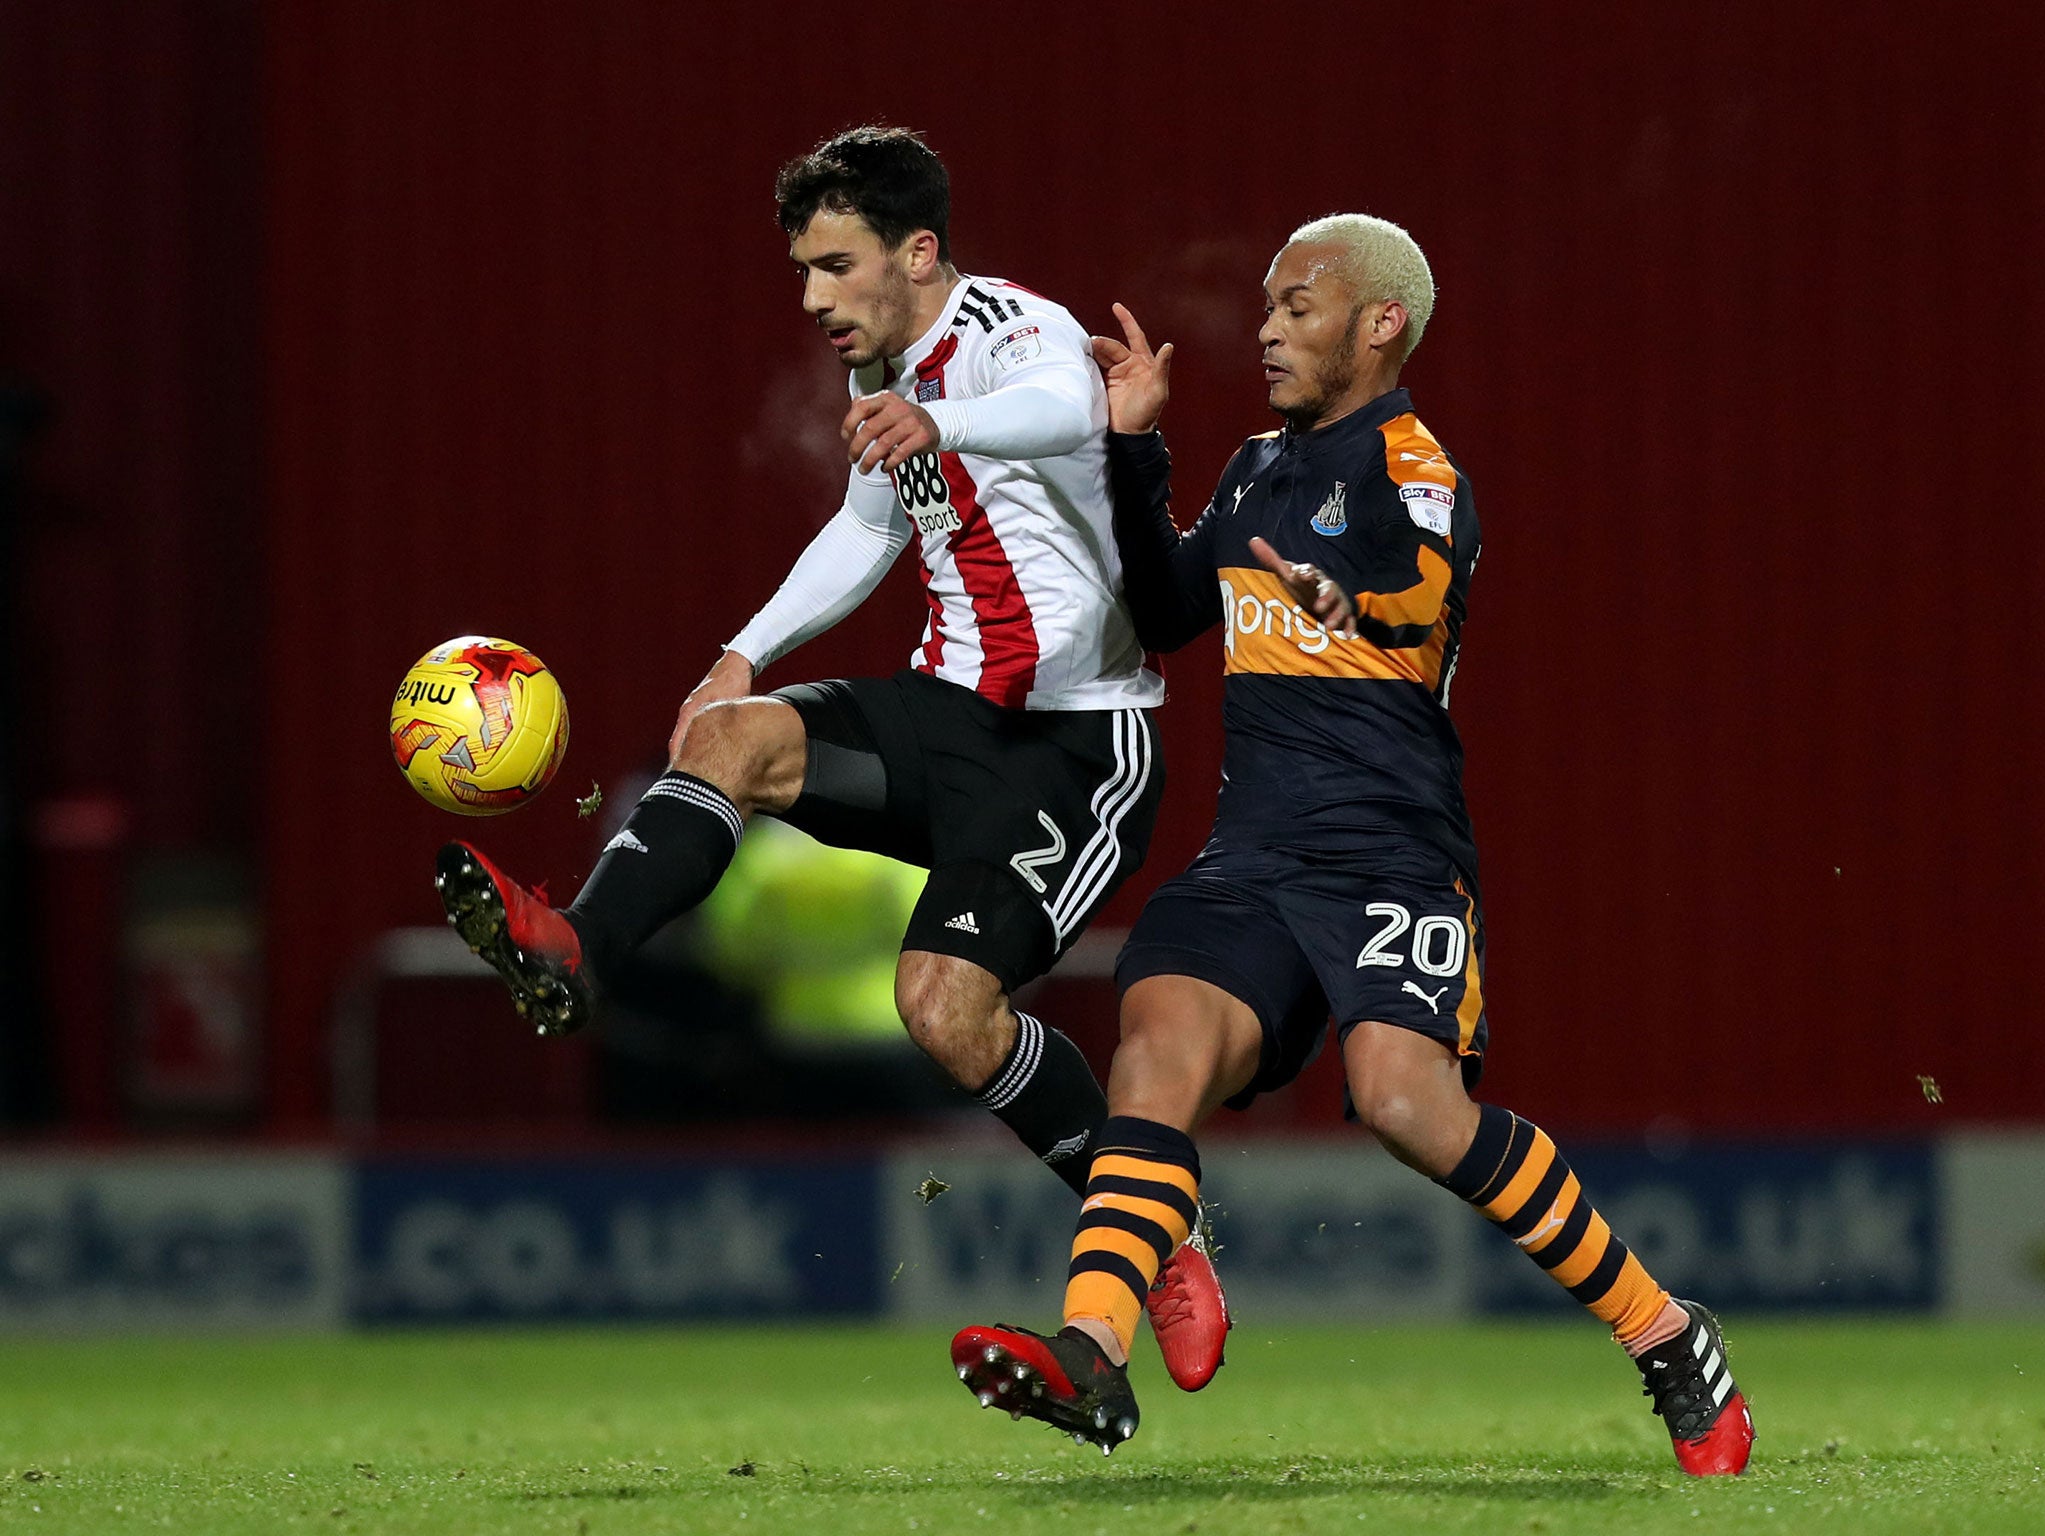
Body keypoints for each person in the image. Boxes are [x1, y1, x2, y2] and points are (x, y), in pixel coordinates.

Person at [950, 214, 1755, 1476]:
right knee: (1154, 1048)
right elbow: (1164, 609)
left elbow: (1422, 590)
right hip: (1252, 855)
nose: (1266, 328)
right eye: (1266, 306)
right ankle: (1092, 1351)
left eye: (1297, 306)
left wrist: (1348, 601)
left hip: (1385, 849)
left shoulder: (1411, 461)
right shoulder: (1255, 466)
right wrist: (1135, 444)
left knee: (1403, 1105)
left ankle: (1665, 1334)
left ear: (1379, 323)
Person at [432, 126, 1228, 1389]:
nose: (811, 298)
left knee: (943, 1009)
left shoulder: (1013, 332)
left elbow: (1065, 407)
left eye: (835, 265)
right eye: (801, 268)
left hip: (1076, 749)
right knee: (731, 740)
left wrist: (935, 414)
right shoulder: (891, 385)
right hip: (942, 717)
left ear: (917, 252)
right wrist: (740, 654)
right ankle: (578, 953)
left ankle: (1157, 1234)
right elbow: (861, 535)